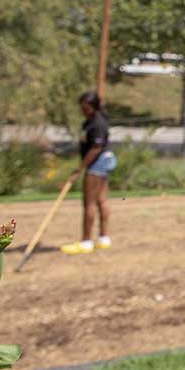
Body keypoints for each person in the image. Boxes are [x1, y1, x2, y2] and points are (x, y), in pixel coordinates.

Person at [60, 91, 116, 254]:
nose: (82, 111)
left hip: (98, 162)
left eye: (85, 108)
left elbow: (96, 148)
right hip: (102, 160)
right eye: (81, 108)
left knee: (89, 202)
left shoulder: (98, 123)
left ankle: (86, 242)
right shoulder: (91, 121)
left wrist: (80, 168)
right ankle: (103, 238)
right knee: (101, 200)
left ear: (93, 107)